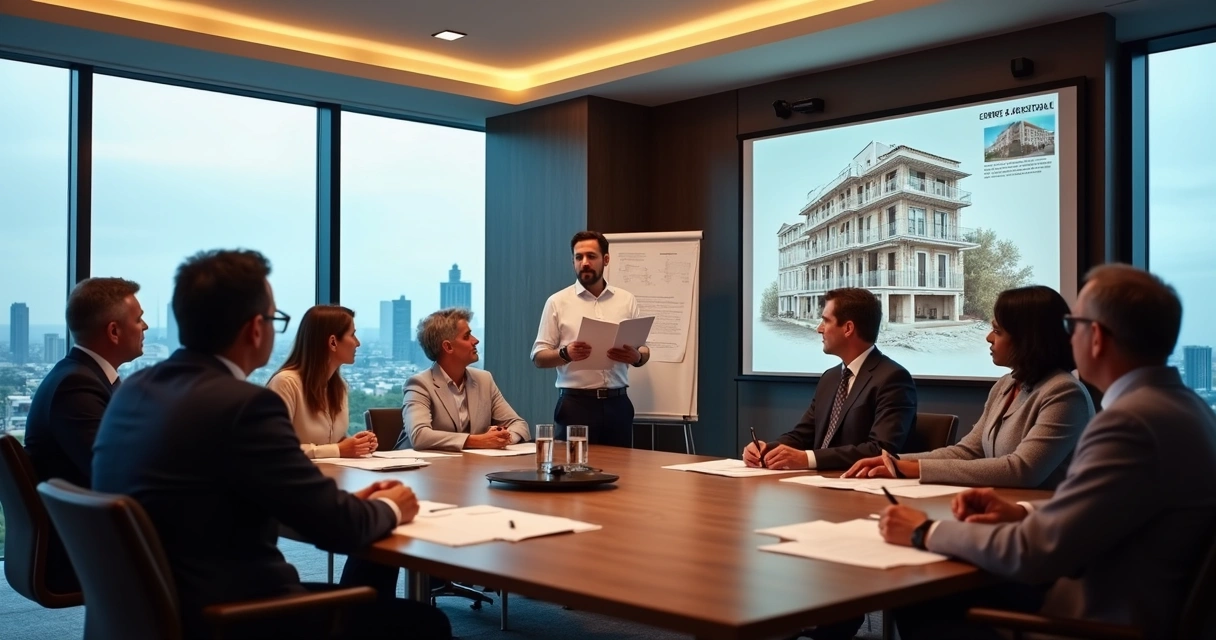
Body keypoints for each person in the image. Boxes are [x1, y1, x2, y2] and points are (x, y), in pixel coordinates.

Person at [92, 249, 450, 640]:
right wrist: (392, 506)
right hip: (236, 617)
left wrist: (347, 507)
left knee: (372, 584)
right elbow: (335, 529)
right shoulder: (244, 406)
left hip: (159, 611)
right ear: (255, 329)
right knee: (427, 624)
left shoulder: (133, 391)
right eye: (274, 319)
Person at [880, 264, 1216, 639]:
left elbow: (1034, 552)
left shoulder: (1130, 424)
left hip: (1090, 622)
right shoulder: (1187, 408)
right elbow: (1103, 510)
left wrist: (925, 530)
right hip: (1123, 601)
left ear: (1096, 337)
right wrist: (1023, 512)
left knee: (919, 594)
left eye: (1073, 325)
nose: (1067, 337)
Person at [843, 285, 1094, 489]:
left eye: (997, 331)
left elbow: (1022, 470)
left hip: (1047, 522)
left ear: (1028, 339)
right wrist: (892, 460)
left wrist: (913, 468)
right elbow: (968, 451)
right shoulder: (1006, 384)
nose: (988, 337)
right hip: (1002, 509)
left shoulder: (1064, 393)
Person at [23, 276, 146, 592]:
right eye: (138, 319)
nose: (145, 326)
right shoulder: (76, 386)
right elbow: (112, 474)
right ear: (114, 331)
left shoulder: (85, 377)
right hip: (81, 550)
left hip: (87, 535)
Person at [743, 287, 916, 471]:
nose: (819, 329)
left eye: (825, 321)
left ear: (848, 328)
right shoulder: (830, 377)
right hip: (818, 483)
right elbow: (802, 435)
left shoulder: (893, 379)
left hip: (859, 486)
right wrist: (766, 450)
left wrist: (807, 459)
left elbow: (880, 450)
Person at [531, 230, 649, 446]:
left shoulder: (626, 300)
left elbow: (644, 349)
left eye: (591, 256)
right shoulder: (557, 302)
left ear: (606, 259)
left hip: (618, 403)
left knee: (622, 466)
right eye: (579, 257)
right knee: (572, 465)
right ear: (573, 262)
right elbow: (538, 357)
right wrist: (565, 353)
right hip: (576, 405)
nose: (584, 263)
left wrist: (637, 357)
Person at [398, 308, 529, 451]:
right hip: (419, 464)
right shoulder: (419, 384)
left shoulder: (484, 380)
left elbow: (519, 424)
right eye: (467, 336)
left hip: (470, 463)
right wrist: (479, 441)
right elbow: (419, 436)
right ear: (448, 347)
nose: (476, 340)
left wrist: (503, 438)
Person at [268, 305, 378, 459]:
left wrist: (355, 444)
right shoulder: (285, 383)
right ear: (333, 342)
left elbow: (330, 442)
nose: (357, 343)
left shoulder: (339, 387)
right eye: (352, 334)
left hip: (330, 472)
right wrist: (338, 449)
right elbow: (273, 447)